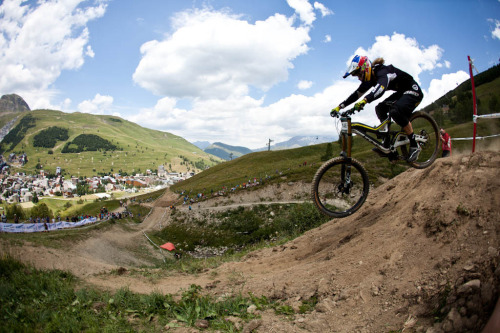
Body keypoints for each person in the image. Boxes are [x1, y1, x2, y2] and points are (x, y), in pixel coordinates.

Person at [331, 55, 424, 162]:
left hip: (413, 90)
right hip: (401, 93)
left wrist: (364, 101)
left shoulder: (382, 72)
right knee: (380, 108)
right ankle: (388, 144)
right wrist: (339, 107)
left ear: (366, 68)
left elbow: (380, 88)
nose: (359, 78)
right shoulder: (370, 79)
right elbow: (356, 95)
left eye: (359, 74)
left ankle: (414, 144)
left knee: (395, 111)